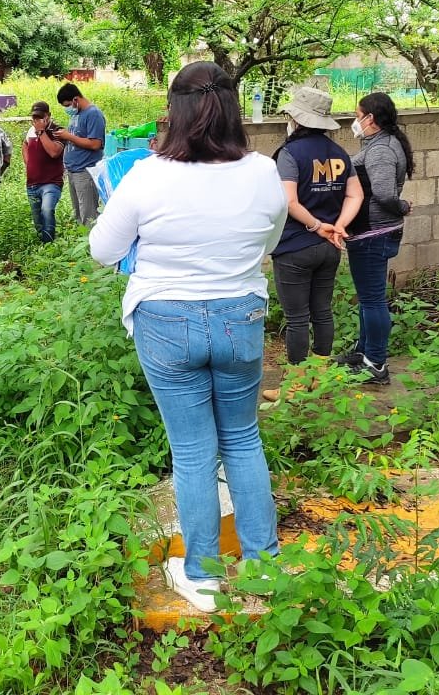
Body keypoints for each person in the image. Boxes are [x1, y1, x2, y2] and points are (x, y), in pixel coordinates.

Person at [89, 62, 287, 614]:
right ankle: (265, 569)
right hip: (239, 316)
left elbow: (103, 251)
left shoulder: (147, 175)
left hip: (166, 321)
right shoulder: (264, 171)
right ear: (232, 107)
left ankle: (201, 575)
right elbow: (268, 240)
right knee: (244, 440)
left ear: (175, 110)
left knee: (194, 452)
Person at [263, 88, 363, 401]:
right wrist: (339, 226)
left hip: (295, 246)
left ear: (296, 118)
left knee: (297, 318)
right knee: (322, 312)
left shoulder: (290, 154)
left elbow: (288, 200)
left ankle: (294, 385)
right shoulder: (339, 153)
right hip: (330, 247)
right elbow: (355, 194)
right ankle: (318, 379)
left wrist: (317, 226)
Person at [339, 92, 415, 386]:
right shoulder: (377, 145)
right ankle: (364, 351)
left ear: (370, 118)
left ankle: (376, 364)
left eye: (357, 116)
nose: (355, 122)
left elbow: (384, 194)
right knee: (369, 298)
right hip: (372, 232)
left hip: (374, 233)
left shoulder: (381, 150)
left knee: (372, 300)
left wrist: (403, 206)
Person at [53, 82, 106, 225]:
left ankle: (91, 245)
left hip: (85, 171)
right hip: (73, 170)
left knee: (89, 216)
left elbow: (95, 144)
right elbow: (77, 137)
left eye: (67, 105)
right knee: (79, 213)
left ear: (76, 99)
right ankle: (82, 244)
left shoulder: (93, 114)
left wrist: (68, 137)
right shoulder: (77, 114)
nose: (67, 109)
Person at [23, 101, 65, 242]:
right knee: (37, 219)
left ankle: (49, 243)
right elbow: (25, 144)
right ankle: (43, 246)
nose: (37, 121)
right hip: (32, 183)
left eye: (40, 117)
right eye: (35, 118)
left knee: (47, 210)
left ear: (48, 116)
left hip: (51, 182)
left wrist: (41, 132)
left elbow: (54, 152)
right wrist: (28, 163)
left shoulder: (57, 131)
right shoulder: (30, 131)